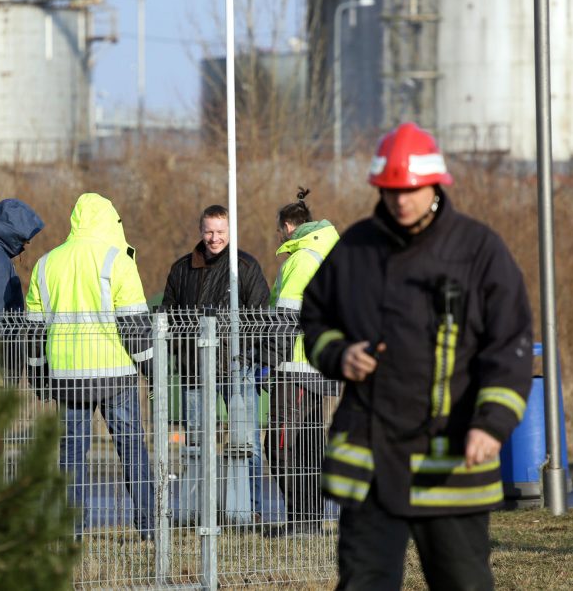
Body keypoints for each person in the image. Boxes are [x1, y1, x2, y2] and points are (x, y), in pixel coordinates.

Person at [300, 123, 532, 590]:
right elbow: (315, 321)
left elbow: (510, 345)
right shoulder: (355, 248)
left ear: (435, 186)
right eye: (390, 191)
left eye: (410, 190)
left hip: (449, 460)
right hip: (368, 461)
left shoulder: (478, 250)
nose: (400, 200)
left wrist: (491, 424)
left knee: (463, 583)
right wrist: (341, 355)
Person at [25, 193, 154, 541]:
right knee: (132, 450)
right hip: (115, 374)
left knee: (72, 453)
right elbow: (135, 327)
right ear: (112, 221)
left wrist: (38, 375)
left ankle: (72, 532)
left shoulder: (45, 264)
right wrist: (152, 371)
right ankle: (149, 528)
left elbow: (34, 332)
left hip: (67, 376)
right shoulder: (118, 260)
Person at [161, 204, 271, 522]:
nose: (214, 238)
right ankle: (202, 511)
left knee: (246, 441)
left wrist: (248, 358)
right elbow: (169, 316)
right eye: (209, 231)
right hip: (195, 371)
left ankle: (251, 510)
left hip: (238, 369)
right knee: (196, 441)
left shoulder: (245, 266)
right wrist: (182, 352)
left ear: (229, 232)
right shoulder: (181, 269)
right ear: (200, 231)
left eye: (220, 232)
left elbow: (261, 315)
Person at [268, 188, 339, 536]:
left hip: (296, 366)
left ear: (287, 226)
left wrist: (269, 361)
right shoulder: (328, 255)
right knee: (310, 445)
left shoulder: (302, 260)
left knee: (281, 445)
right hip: (321, 365)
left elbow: (286, 318)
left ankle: (302, 519)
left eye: (279, 231)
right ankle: (310, 519)